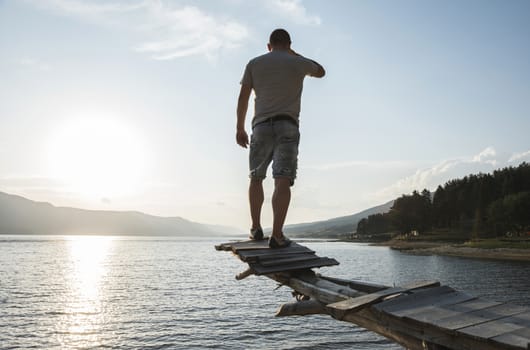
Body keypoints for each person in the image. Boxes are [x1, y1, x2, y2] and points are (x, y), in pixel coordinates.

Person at [236, 28, 325, 248]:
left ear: (269, 45)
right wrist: (295, 55)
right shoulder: (297, 62)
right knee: (282, 180)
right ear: (289, 44)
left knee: (256, 177)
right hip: (288, 125)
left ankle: (256, 229)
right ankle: (276, 235)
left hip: (261, 126)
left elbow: (243, 98)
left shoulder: (254, 63)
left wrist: (239, 128)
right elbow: (321, 71)